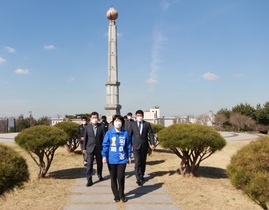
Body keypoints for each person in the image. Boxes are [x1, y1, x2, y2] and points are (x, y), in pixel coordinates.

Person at [102, 115, 132, 202]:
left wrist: (129, 156)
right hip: (111, 159)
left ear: (122, 122)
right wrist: (104, 156)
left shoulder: (125, 133)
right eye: (115, 121)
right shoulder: (109, 133)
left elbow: (128, 146)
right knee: (113, 177)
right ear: (113, 122)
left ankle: (122, 194)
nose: (117, 122)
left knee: (121, 177)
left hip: (122, 159)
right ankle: (116, 195)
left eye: (119, 121)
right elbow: (105, 145)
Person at [128, 109, 155, 186]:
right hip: (136, 146)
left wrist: (152, 143)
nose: (139, 117)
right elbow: (129, 135)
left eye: (141, 115)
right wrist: (129, 145)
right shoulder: (132, 124)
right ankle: (138, 177)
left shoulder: (147, 124)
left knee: (143, 161)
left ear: (143, 116)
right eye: (138, 115)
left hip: (144, 145)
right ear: (136, 116)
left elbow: (150, 134)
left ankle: (142, 174)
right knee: (137, 162)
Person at [83, 111, 106, 187]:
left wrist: (104, 148)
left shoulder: (101, 127)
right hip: (90, 148)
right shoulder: (87, 127)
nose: (94, 119)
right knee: (89, 164)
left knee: (99, 163)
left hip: (99, 148)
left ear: (98, 118)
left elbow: (104, 138)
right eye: (93, 117)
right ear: (90, 118)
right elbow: (85, 138)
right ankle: (89, 180)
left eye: (96, 117)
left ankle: (100, 175)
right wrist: (84, 148)